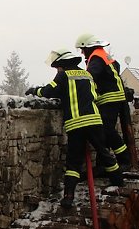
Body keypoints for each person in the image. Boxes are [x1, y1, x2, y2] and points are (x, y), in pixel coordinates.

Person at [26, 49, 124, 209]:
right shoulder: (87, 75)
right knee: (104, 152)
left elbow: (49, 91)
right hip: (94, 121)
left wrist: (34, 91)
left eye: (57, 67)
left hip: (76, 124)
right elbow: (94, 95)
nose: (57, 70)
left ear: (62, 64)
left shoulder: (63, 75)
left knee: (73, 161)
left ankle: (68, 196)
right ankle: (118, 181)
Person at [74, 33, 133, 170]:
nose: (82, 53)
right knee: (105, 132)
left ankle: (125, 159)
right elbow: (116, 67)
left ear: (88, 47)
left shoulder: (96, 58)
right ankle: (105, 164)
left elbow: (90, 76)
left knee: (107, 131)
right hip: (116, 97)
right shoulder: (103, 55)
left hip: (109, 99)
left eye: (82, 49)